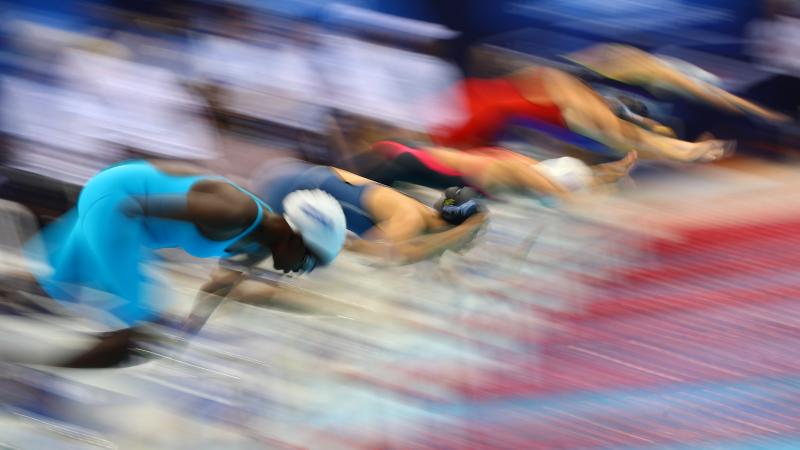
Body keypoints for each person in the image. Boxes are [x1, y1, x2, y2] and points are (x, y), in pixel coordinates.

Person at [1, 159, 347, 368]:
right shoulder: (234, 211)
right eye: (307, 262)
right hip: (116, 201)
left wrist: (186, 334)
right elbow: (130, 206)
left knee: (52, 285)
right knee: (141, 337)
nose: (301, 272)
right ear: (294, 235)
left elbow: (218, 286)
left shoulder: (259, 244)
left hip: (122, 201)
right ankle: (30, 366)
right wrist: (138, 298)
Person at [251, 158, 488, 265]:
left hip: (294, 175)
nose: (467, 246)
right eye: (470, 237)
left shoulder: (421, 215)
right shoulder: (410, 219)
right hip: (286, 192)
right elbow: (374, 257)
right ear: (453, 229)